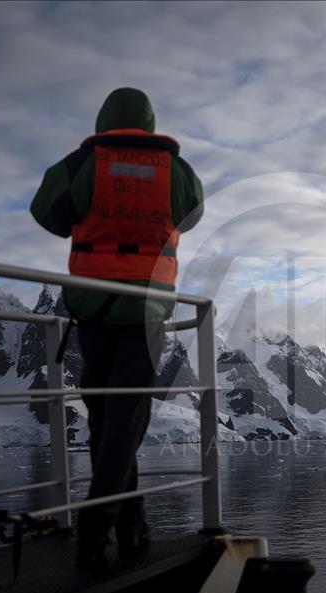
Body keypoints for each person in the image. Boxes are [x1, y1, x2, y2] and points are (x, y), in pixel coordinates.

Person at [30, 87, 204, 568]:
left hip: (93, 307)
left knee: (106, 422)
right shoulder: (179, 173)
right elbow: (191, 215)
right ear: (148, 124)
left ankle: (120, 526)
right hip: (146, 310)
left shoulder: (81, 165)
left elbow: (46, 213)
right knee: (124, 423)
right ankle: (102, 531)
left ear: (105, 120)